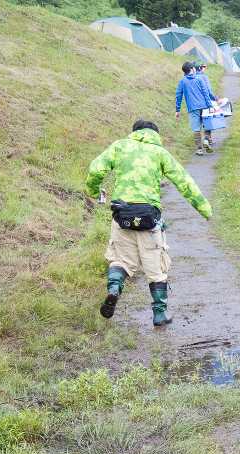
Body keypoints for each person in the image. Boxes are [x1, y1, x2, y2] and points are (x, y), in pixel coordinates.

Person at [86, 120, 212, 327]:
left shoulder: (120, 146)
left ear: (134, 132)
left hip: (122, 215)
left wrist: (93, 191)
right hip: (149, 219)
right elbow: (184, 182)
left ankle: (114, 288)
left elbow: (96, 169)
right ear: (155, 134)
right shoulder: (159, 152)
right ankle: (159, 314)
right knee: (156, 267)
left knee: (121, 260)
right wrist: (205, 209)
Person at [175, 61, 218, 155]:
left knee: (196, 129)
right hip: (204, 106)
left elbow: (178, 96)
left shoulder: (182, 82)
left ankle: (199, 149)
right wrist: (210, 106)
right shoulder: (199, 79)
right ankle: (206, 139)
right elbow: (205, 93)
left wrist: (177, 110)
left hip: (193, 108)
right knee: (207, 124)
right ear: (192, 69)